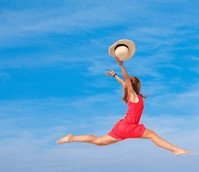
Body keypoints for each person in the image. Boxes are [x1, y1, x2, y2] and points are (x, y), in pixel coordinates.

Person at [57, 56, 190, 156]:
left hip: (123, 126)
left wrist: (115, 75)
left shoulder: (131, 95)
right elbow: (126, 80)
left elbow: (124, 83)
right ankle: (175, 150)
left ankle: (72, 138)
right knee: (152, 135)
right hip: (130, 127)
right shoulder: (133, 96)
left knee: (99, 141)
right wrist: (121, 65)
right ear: (137, 85)